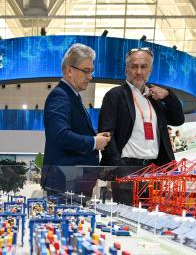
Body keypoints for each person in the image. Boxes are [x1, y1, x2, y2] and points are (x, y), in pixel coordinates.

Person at [99, 47, 186, 205]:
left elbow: (178, 119)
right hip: (126, 169)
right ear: (126, 70)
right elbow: (106, 133)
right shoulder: (115, 95)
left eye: (143, 67)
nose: (138, 72)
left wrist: (168, 95)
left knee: (151, 217)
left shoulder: (155, 97)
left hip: (154, 170)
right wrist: (118, 168)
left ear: (150, 70)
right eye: (134, 66)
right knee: (125, 216)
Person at [42, 43, 110, 197]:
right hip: (66, 182)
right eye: (86, 71)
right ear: (69, 70)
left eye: (91, 71)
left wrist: (95, 137)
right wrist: (94, 142)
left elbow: (71, 131)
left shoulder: (71, 96)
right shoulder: (60, 96)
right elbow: (60, 135)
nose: (90, 77)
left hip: (72, 182)